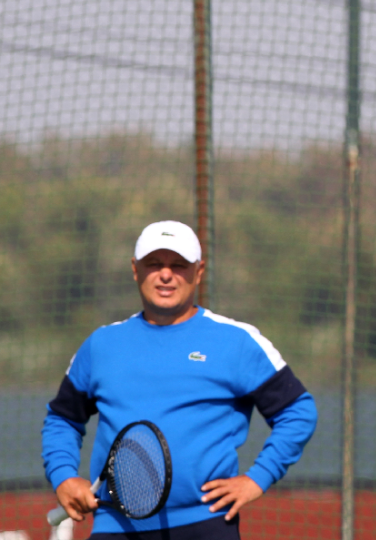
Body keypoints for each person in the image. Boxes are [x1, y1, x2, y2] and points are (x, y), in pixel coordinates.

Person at [41, 220, 318, 540]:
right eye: (154, 264)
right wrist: (63, 477)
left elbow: (298, 411)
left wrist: (258, 478)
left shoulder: (237, 342)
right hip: (115, 526)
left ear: (199, 271)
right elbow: (62, 419)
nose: (166, 275)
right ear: (135, 269)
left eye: (179, 265)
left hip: (206, 524)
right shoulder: (101, 345)